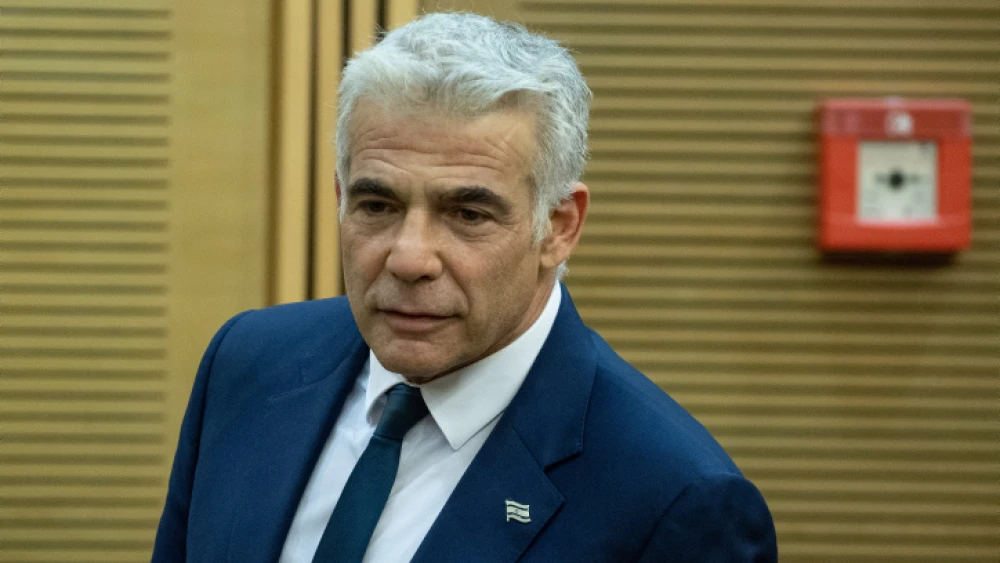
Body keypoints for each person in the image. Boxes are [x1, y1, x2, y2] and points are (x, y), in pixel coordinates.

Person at [152, 12, 777, 563]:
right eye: (377, 205)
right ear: (341, 199)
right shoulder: (248, 363)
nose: (409, 258)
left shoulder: (676, 501)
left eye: (468, 214)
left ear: (559, 228)